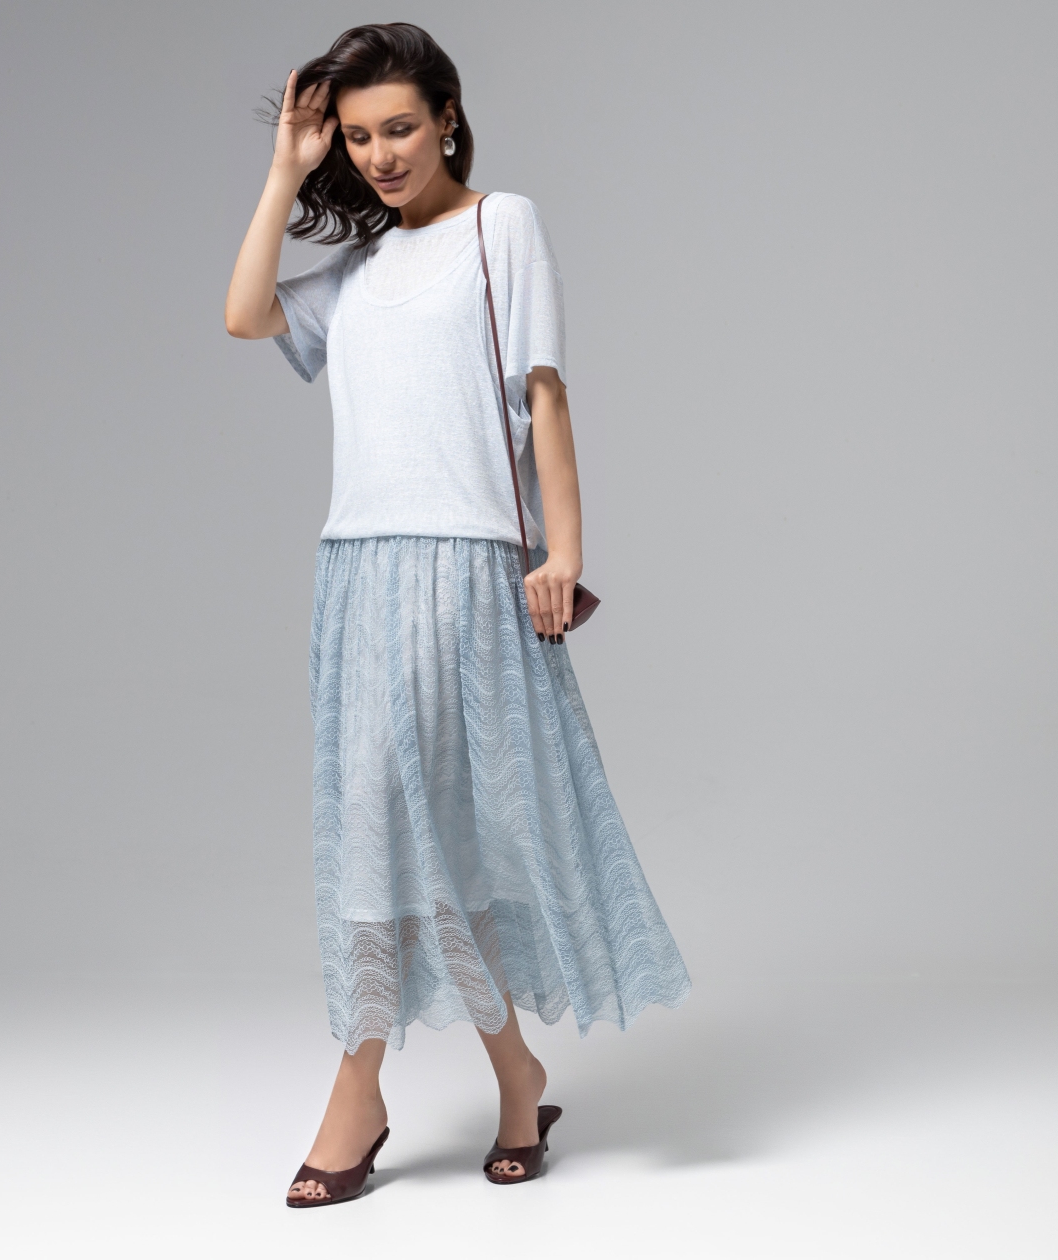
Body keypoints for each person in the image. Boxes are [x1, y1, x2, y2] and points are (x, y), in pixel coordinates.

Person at [225, 22, 690, 1206]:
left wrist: (564, 554)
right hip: (356, 573)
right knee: (395, 827)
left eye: (400, 128)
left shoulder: (502, 226)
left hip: (466, 570)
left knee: (415, 825)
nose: (381, 155)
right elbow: (242, 314)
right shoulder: (358, 271)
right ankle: (513, 1073)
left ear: (447, 118)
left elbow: (545, 394)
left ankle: (357, 1090)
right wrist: (284, 169)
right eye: (359, 136)